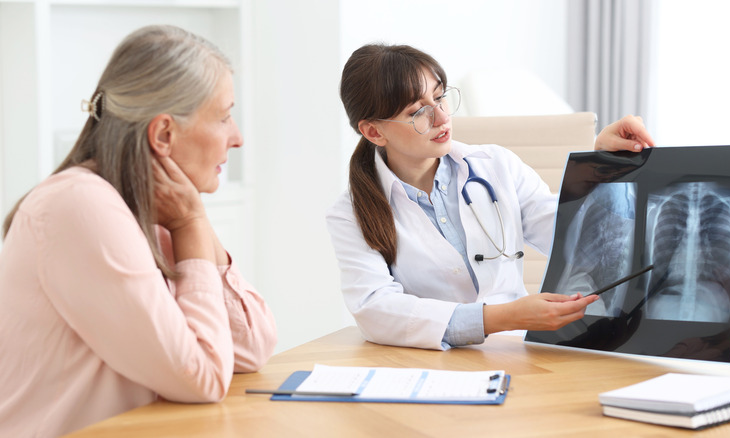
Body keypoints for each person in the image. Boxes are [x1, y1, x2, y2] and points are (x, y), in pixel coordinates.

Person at [0, 25, 277, 437]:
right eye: (224, 117)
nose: (236, 138)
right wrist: (192, 223)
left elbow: (251, 346)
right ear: (164, 133)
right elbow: (203, 378)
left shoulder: (150, 210)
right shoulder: (81, 206)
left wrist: (190, 224)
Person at [326, 43, 655, 351]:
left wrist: (602, 161)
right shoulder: (350, 213)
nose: (442, 118)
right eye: (418, 112)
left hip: (517, 353)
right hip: (427, 365)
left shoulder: (496, 166)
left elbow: (574, 235)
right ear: (373, 131)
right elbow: (376, 310)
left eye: (440, 98)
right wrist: (505, 316)